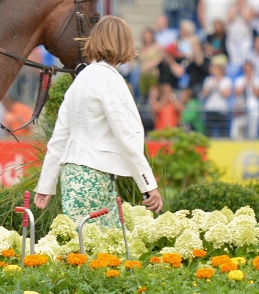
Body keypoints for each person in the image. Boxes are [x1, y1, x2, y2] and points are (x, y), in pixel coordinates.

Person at [34, 16, 163, 221]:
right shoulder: (110, 80)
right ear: (123, 43)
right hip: (95, 176)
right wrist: (149, 185)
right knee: (103, 248)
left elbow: (59, 140)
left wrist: (46, 185)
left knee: (87, 245)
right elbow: (127, 138)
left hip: (72, 177)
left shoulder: (80, 79)